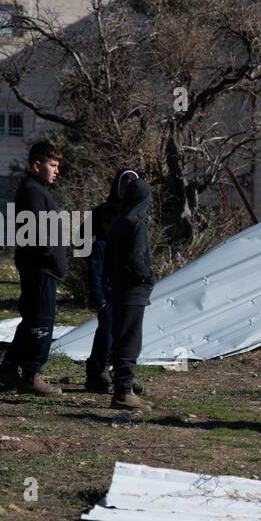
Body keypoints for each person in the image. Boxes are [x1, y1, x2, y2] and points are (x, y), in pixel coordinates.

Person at [0, 140, 67, 395]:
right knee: (41, 322)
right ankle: (31, 374)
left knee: (32, 319)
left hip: (39, 267)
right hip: (40, 268)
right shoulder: (33, 191)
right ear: (37, 165)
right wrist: (53, 261)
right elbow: (39, 233)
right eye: (53, 165)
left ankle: (9, 368)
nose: (57, 170)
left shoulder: (36, 189)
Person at [103, 169, 156, 411]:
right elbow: (136, 260)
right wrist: (148, 276)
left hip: (118, 288)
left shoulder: (118, 222)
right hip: (133, 291)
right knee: (130, 341)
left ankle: (124, 388)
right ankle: (124, 392)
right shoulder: (136, 225)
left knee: (122, 339)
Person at [84, 200, 121, 393]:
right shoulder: (100, 246)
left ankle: (115, 372)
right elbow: (95, 275)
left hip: (119, 300)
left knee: (119, 337)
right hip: (107, 301)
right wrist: (101, 301)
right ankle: (98, 371)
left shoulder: (121, 246)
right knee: (105, 337)